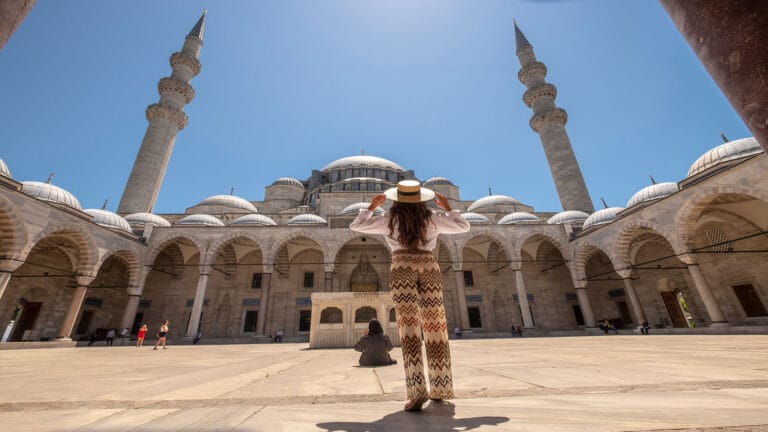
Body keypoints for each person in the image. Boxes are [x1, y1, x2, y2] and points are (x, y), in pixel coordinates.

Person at [350, 180, 470, 412]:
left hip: (401, 267)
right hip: (428, 266)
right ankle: (440, 386)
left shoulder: (389, 220)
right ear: (420, 200)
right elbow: (463, 226)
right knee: (436, 327)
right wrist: (447, 207)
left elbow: (357, 225)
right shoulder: (431, 218)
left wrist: (372, 206)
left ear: (397, 200)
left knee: (409, 328)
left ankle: (416, 393)